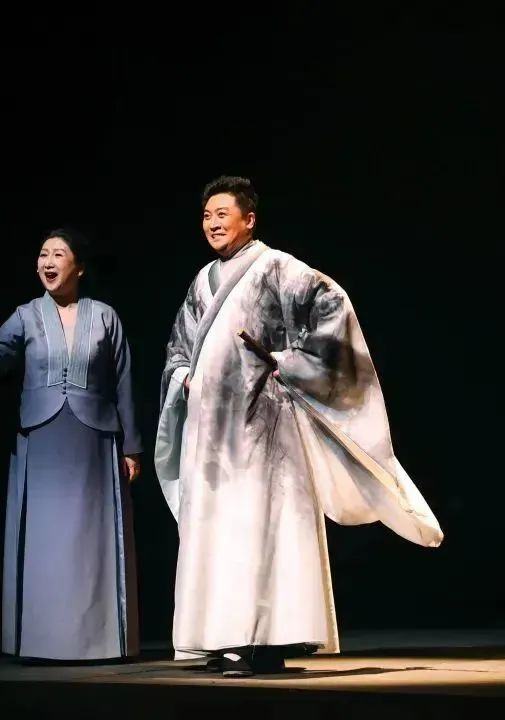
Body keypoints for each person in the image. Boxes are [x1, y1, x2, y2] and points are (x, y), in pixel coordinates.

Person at [155, 176, 443, 676]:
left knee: (258, 530)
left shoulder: (276, 268)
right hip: (211, 433)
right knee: (217, 532)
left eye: (223, 214)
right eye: (206, 215)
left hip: (261, 428)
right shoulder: (202, 281)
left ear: (249, 219)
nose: (213, 223)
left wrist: (287, 362)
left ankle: (257, 642)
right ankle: (221, 638)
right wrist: (185, 377)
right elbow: (179, 346)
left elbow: (333, 307)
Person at [0, 228, 142, 661]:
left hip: (93, 440)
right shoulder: (26, 315)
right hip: (42, 439)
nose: (47, 262)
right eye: (42, 254)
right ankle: (43, 640)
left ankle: (97, 642)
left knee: (90, 542)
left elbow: (124, 381)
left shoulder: (104, 316)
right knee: (45, 543)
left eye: (58, 254)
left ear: (79, 267)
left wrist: (132, 447)